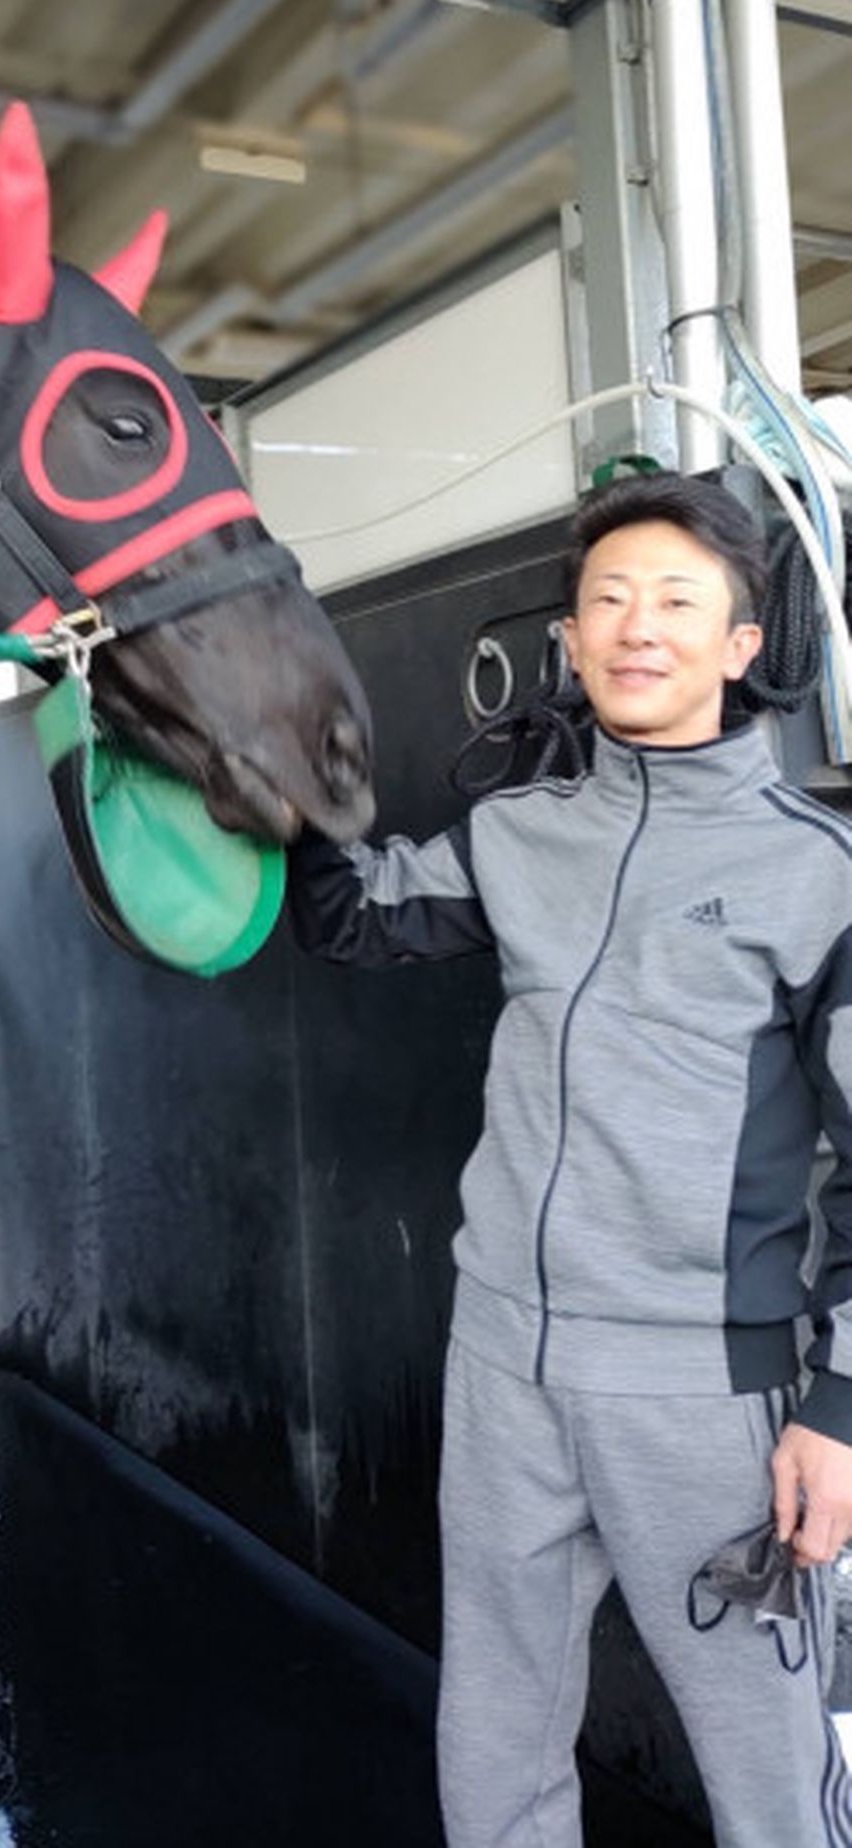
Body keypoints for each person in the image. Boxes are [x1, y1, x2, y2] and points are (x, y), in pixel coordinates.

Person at [288, 470, 852, 1848]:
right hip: (501, 1363)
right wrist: (279, 764)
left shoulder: (818, 870)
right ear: (571, 639)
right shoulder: (519, 832)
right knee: (493, 1728)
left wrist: (835, 1409)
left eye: (673, 601)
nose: (633, 627)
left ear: (737, 646)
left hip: (700, 1384)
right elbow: (352, 921)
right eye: (605, 600)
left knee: (768, 1772)